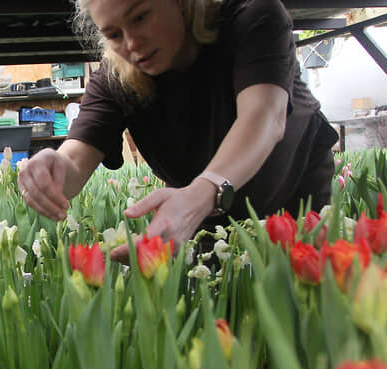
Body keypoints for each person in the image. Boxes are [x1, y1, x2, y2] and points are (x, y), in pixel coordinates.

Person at [17, 0, 338, 262]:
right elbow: (75, 162)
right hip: (201, 215)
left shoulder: (253, 16)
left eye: (141, 16)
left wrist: (204, 191)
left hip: (292, 199)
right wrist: (55, 167)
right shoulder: (116, 76)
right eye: (114, 34)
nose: (131, 43)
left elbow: (264, 119)